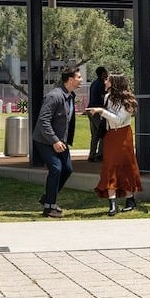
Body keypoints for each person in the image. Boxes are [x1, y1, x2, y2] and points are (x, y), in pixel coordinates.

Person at [86, 74, 143, 215]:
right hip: (110, 135)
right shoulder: (107, 97)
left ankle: (130, 199)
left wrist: (101, 111)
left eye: (108, 80)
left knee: (126, 166)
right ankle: (112, 203)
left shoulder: (127, 101)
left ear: (114, 83)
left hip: (123, 136)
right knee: (109, 167)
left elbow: (119, 120)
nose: (105, 82)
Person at [32, 66, 83, 218]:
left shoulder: (70, 95)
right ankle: (49, 207)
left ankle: (48, 197)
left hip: (61, 141)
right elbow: (43, 120)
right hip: (45, 140)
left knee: (67, 169)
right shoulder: (54, 96)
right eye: (79, 77)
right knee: (56, 169)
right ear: (71, 79)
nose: (81, 80)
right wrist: (54, 140)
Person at [86, 66, 108, 162]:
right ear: (103, 74)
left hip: (90, 109)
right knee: (103, 132)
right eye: (106, 73)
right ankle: (100, 154)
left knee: (95, 134)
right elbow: (103, 97)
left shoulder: (94, 83)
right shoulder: (101, 83)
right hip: (97, 110)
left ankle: (92, 154)